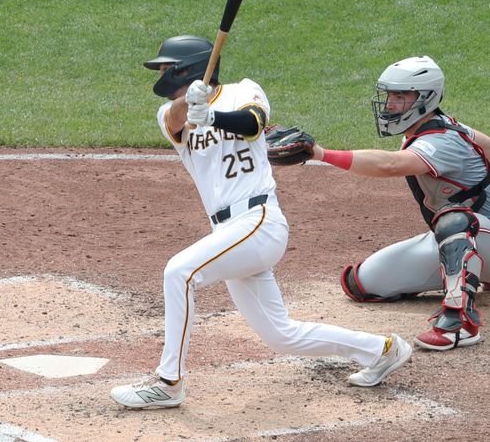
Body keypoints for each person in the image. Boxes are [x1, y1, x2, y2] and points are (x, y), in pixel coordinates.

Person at [110, 35, 412, 409]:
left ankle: (168, 382)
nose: (158, 73)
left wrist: (214, 115)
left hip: (259, 221)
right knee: (281, 336)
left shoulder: (244, 90)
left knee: (179, 272)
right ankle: (382, 350)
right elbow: (173, 119)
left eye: (164, 67)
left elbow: (254, 124)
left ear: (183, 67)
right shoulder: (172, 115)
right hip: (229, 233)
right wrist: (192, 105)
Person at [311, 55, 490, 351]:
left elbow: (389, 166)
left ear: (425, 99)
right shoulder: (439, 127)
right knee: (361, 283)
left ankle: (459, 325)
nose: (389, 105)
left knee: (454, 218)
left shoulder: (441, 140)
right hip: (471, 241)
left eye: (400, 96)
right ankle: (473, 274)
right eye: (390, 96)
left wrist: (322, 154)